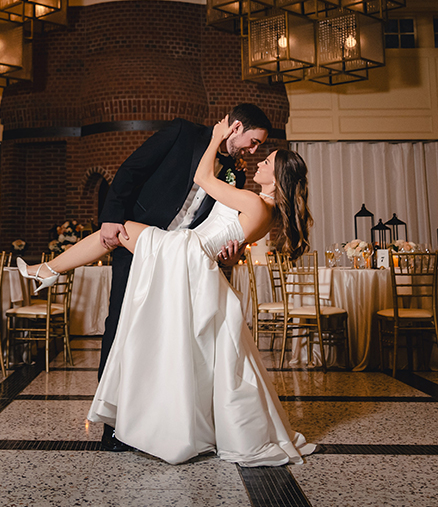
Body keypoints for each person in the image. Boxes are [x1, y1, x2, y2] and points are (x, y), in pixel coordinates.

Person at [18, 116, 315, 466]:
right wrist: (229, 255)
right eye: (256, 146)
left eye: (266, 160)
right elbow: (230, 240)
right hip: (191, 258)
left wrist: (216, 138)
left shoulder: (252, 201)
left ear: (277, 177)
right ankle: (48, 272)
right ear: (238, 126)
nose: (257, 159)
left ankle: (47, 270)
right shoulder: (264, 208)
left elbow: (202, 180)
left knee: (118, 235)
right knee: (154, 334)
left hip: (185, 253)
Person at [94, 103, 271, 451]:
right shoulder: (183, 133)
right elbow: (131, 169)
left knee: (160, 337)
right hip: (140, 243)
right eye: (253, 142)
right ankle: (111, 425)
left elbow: (222, 228)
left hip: (180, 261)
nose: (253, 151)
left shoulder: (235, 174)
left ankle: (147, 420)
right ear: (236, 127)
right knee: (120, 324)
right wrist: (111, 216)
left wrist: (229, 257)